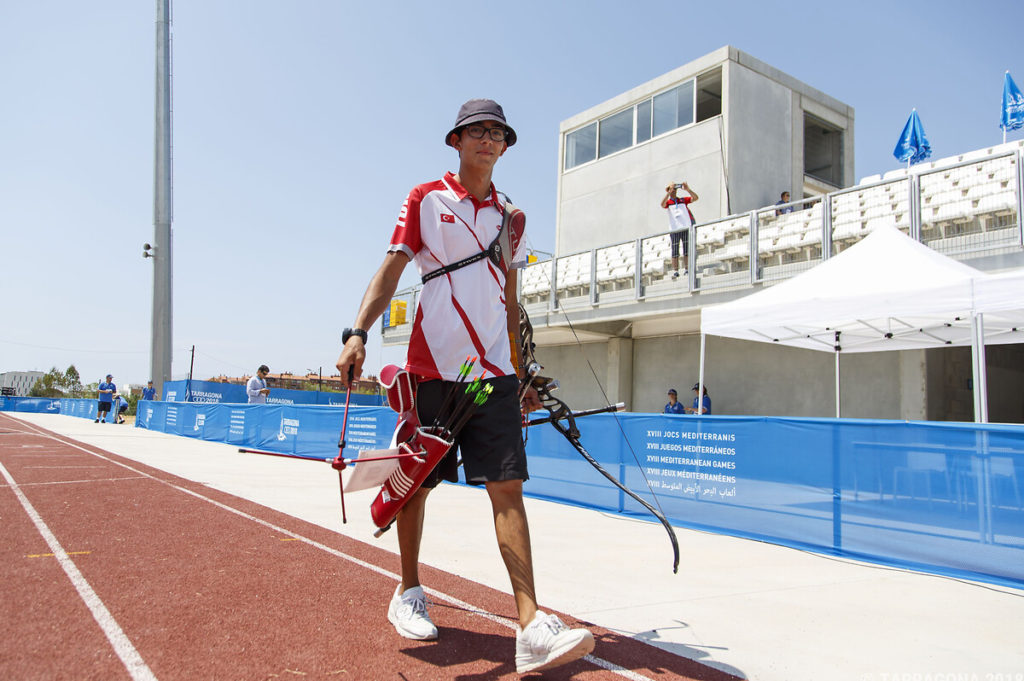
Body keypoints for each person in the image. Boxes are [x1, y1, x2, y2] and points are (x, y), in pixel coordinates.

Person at [335, 98, 594, 674]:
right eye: (476, 130)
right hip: (435, 371)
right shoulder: (426, 198)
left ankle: (530, 626)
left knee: (508, 489)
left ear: (505, 146)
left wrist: (521, 375)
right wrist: (358, 332)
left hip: (494, 378)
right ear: (456, 141)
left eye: (496, 132)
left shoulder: (512, 217)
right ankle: (408, 591)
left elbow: (509, 297)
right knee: (419, 484)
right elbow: (392, 269)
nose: (487, 139)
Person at [660, 182, 699, 280]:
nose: (674, 191)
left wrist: (688, 189)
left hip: (685, 227)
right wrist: (668, 193)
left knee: (686, 250)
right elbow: (662, 204)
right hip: (674, 229)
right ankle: (675, 271)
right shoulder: (668, 202)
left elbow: (695, 198)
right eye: (672, 189)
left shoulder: (682, 200)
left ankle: (687, 269)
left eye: (674, 189)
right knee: (675, 251)